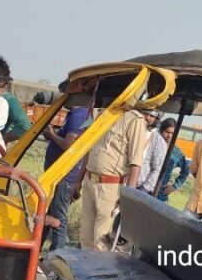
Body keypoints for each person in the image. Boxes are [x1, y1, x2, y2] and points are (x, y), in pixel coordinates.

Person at [75, 108, 148, 250]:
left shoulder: (134, 119)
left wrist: (129, 195)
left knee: (101, 239)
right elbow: (89, 150)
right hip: (89, 181)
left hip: (110, 187)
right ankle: (86, 271)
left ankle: (98, 271)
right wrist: (79, 180)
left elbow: (136, 162)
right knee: (85, 236)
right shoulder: (100, 113)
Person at [41, 106, 89, 250]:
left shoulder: (79, 114)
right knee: (50, 215)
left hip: (64, 176)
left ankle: (57, 254)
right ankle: (37, 249)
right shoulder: (76, 114)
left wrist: (52, 135)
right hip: (60, 175)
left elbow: (70, 144)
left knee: (58, 218)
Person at [155, 118, 190, 202]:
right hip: (144, 189)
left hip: (161, 195)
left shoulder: (176, 152)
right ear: (161, 131)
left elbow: (186, 171)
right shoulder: (152, 145)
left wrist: (174, 186)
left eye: (172, 133)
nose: (169, 136)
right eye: (167, 132)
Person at [138, 114, 169, 194]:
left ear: (157, 119)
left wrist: (143, 190)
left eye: (152, 116)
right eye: (146, 114)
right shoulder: (138, 131)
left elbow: (157, 170)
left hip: (140, 188)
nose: (148, 118)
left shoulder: (159, 142)